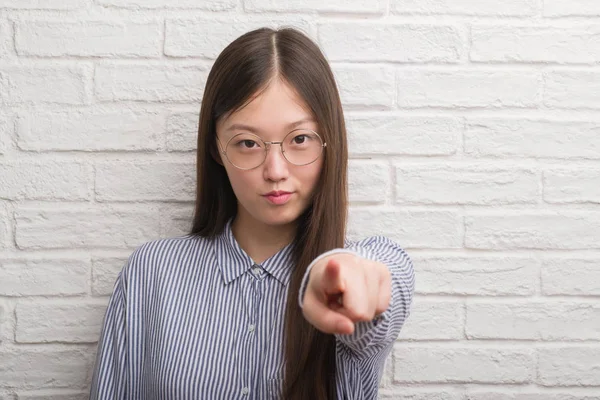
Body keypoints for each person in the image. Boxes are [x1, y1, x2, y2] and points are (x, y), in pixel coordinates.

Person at [89, 26, 415, 400]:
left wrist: (346, 274)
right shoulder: (151, 272)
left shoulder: (342, 287)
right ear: (216, 148)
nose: (275, 170)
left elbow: (386, 272)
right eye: (247, 143)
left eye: (299, 140)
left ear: (329, 143)